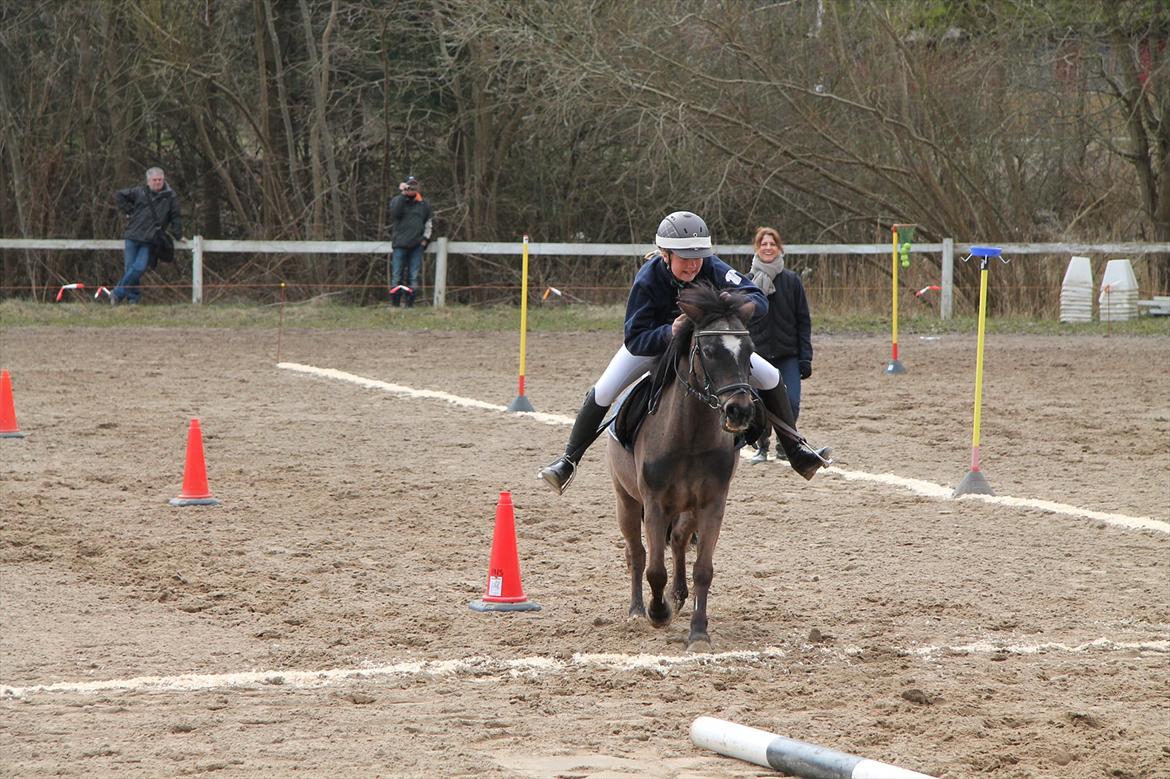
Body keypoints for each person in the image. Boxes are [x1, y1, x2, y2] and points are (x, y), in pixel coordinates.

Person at [538, 211, 831, 495]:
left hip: (710, 348)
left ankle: (796, 450)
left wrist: (731, 300)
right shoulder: (648, 278)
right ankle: (568, 461)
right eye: (685, 260)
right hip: (657, 347)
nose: (693, 266)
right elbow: (636, 338)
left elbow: (756, 296)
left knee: (769, 375)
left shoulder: (713, 267)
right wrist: (670, 332)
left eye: (698, 258)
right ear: (665, 254)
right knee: (604, 390)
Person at [745, 226, 813, 464]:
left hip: (788, 355)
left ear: (779, 248)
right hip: (758, 354)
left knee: (791, 401)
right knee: (758, 404)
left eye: (772, 244)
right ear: (757, 248)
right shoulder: (747, 282)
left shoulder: (792, 281)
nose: (767, 247)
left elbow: (803, 321)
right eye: (763, 244)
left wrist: (806, 357)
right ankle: (762, 446)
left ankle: (785, 445)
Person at [112, 167, 182, 304]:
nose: (157, 182)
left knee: (139, 267)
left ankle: (117, 293)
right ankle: (133, 299)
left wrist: (178, 235)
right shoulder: (139, 192)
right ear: (148, 181)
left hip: (150, 238)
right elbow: (119, 195)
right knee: (130, 268)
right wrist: (129, 211)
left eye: (160, 180)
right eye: (154, 180)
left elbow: (176, 216)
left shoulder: (170, 196)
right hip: (132, 235)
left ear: (164, 179)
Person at [387, 176, 434, 307]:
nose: (412, 189)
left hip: (417, 245)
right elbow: (395, 214)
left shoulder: (424, 204)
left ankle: (410, 304)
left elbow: (428, 223)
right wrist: (403, 195)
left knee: (413, 276)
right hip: (399, 244)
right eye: (409, 186)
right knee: (397, 275)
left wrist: (425, 239)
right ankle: (395, 304)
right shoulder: (397, 201)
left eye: (414, 186)